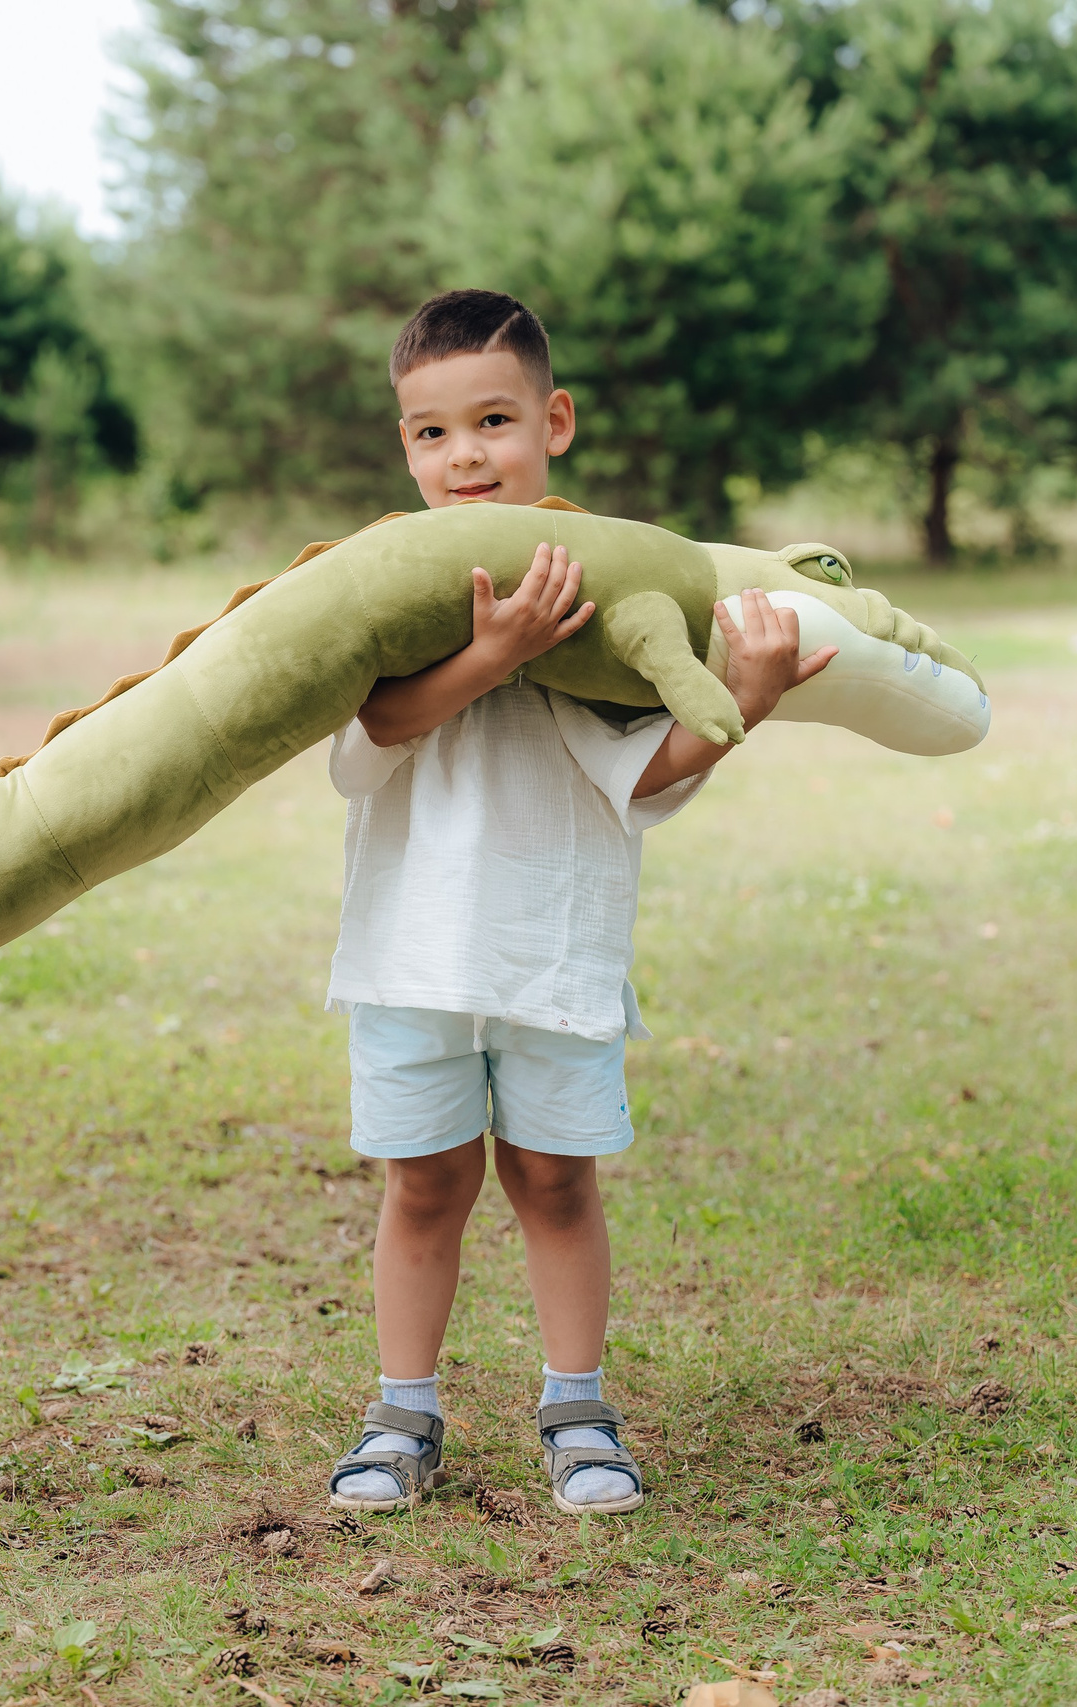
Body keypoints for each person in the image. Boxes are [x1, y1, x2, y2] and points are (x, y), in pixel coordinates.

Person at [323, 291, 832, 1516]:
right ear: (405, 446)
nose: (464, 456)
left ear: (552, 421)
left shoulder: (596, 597)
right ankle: (404, 1413)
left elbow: (642, 775)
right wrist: (489, 652)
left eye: (493, 421)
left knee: (554, 1181)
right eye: (431, 433)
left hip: (553, 954)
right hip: (407, 961)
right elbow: (363, 742)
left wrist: (743, 701)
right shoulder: (390, 589)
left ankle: (576, 1405)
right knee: (423, 1184)